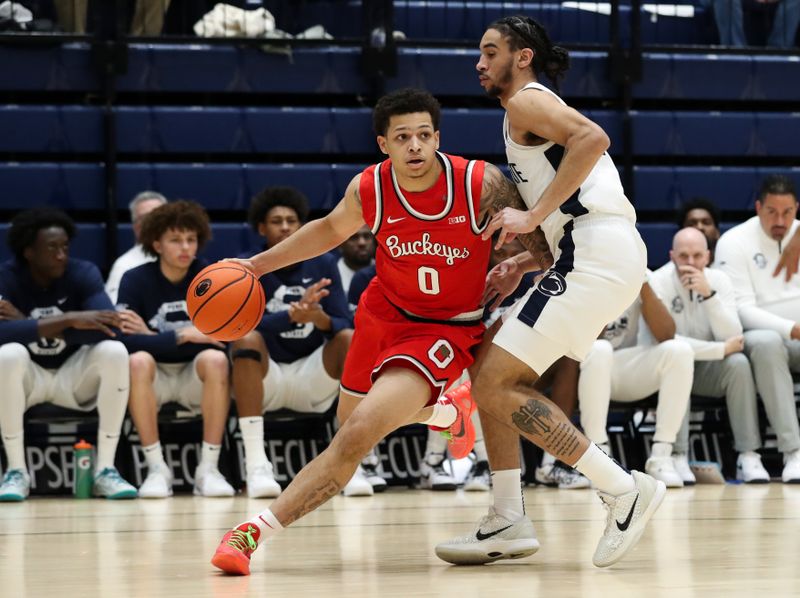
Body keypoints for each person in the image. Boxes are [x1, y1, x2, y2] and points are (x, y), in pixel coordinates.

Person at [210, 88, 551, 575]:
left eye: (423, 136)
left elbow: (546, 242)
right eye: (402, 137)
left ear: (438, 138)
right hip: (380, 316)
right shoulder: (369, 188)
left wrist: (516, 263)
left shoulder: (479, 183)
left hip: (442, 331)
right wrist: (255, 266)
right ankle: (444, 411)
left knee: (356, 435)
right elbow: (328, 230)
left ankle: (249, 534)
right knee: (352, 428)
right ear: (383, 144)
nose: (414, 146)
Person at [436, 15, 665, 569]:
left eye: (490, 52)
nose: (479, 62)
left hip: (597, 251)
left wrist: (532, 213)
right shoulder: (523, 116)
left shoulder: (527, 101)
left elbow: (595, 138)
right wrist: (521, 261)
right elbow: (565, 205)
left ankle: (621, 488)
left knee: (492, 380)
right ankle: (508, 514)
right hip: (590, 253)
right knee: (489, 366)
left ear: (522, 57)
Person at [0, 208, 137, 501]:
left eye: (65, 247)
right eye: (52, 248)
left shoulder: (83, 272)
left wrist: (24, 322)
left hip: (73, 377)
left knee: (115, 351)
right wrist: (70, 319)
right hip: (29, 381)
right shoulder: (5, 277)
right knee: (8, 355)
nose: (61, 254)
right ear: (28, 252)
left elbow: (110, 328)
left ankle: (105, 469)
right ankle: (15, 471)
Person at [229, 186, 353, 499]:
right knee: (245, 338)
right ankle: (256, 465)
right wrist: (289, 316)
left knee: (349, 339)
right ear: (261, 228)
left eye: (292, 221)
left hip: (312, 377)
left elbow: (343, 322)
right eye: (277, 221)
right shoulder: (245, 267)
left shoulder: (324, 264)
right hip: (267, 378)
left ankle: (355, 461)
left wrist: (317, 318)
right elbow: (233, 327)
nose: (285, 226)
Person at [118, 200, 235, 498]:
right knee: (137, 361)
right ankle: (157, 469)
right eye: (175, 240)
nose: (185, 247)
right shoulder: (134, 279)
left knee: (215, 359)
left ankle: (208, 469)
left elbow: (223, 339)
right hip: (153, 378)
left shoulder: (211, 277)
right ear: (156, 244)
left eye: (191, 239)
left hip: (195, 379)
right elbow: (125, 341)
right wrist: (183, 335)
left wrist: (151, 334)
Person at [650, 227, 771, 483]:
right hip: (669, 367)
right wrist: (718, 350)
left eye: (697, 256)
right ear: (672, 256)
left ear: (707, 256)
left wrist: (709, 296)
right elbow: (665, 340)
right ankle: (678, 455)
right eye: (684, 256)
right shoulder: (658, 282)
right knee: (677, 362)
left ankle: (748, 455)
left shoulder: (719, 280)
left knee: (738, 364)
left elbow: (733, 336)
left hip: (708, 370)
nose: (691, 263)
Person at [714, 174, 800, 482]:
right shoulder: (734, 242)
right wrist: (792, 329)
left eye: (788, 213)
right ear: (758, 207)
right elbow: (742, 310)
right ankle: (793, 452)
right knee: (766, 343)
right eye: (772, 212)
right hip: (755, 336)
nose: (780, 220)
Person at [578, 279, 693, 488]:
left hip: (625, 370)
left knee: (680, 351)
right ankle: (599, 460)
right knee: (599, 349)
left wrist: (642, 283)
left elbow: (666, 334)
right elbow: (587, 336)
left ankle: (661, 456)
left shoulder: (641, 272)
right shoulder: (588, 270)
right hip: (584, 369)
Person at [105, 191, 167, 304]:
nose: (153, 222)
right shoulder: (124, 266)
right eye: (146, 218)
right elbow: (117, 313)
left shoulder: (184, 257)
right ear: (135, 226)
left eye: (158, 216)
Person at [677, 197, 722, 263]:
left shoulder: (729, 269)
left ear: (717, 233)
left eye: (706, 222)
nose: (699, 227)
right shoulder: (665, 273)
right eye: (691, 224)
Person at [337, 225, 375, 298]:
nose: (362, 243)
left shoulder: (388, 272)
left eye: (367, 236)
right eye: (353, 237)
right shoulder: (331, 275)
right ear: (340, 244)